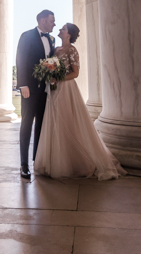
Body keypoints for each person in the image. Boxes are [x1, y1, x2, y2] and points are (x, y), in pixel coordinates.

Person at [34, 23, 126, 180]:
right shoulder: (55, 50)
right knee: (55, 122)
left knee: (68, 122)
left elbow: (75, 73)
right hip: (54, 90)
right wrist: (48, 75)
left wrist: (57, 78)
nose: (60, 30)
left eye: (63, 29)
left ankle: (76, 161)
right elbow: (50, 67)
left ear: (69, 34)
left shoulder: (72, 50)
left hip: (67, 89)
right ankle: (57, 159)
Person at [16, 10, 56, 179]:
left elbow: (51, 63)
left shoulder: (52, 40)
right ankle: (24, 164)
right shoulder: (27, 36)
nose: (54, 23)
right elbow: (21, 59)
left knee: (41, 124)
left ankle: (37, 161)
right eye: (52, 21)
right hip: (30, 89)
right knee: (26, 125)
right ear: (42, 20)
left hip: (46, 90)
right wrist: (23, 84)